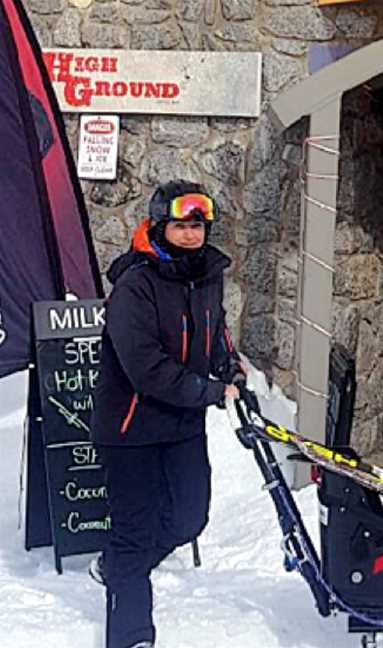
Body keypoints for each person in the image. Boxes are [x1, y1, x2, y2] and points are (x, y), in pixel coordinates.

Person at [90, 181, 244, 648]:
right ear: (160, 226)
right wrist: (212, 391)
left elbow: (214, 335)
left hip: (181, 425)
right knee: (136, 532)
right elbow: (146, 368)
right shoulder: (135, 285)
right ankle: (133, 633)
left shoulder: (206, 276)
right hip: (131, 427)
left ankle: (116, 565)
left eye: (197, 225)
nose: (192, 234)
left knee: (188, 519)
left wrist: (229, 367)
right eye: (181, 225)